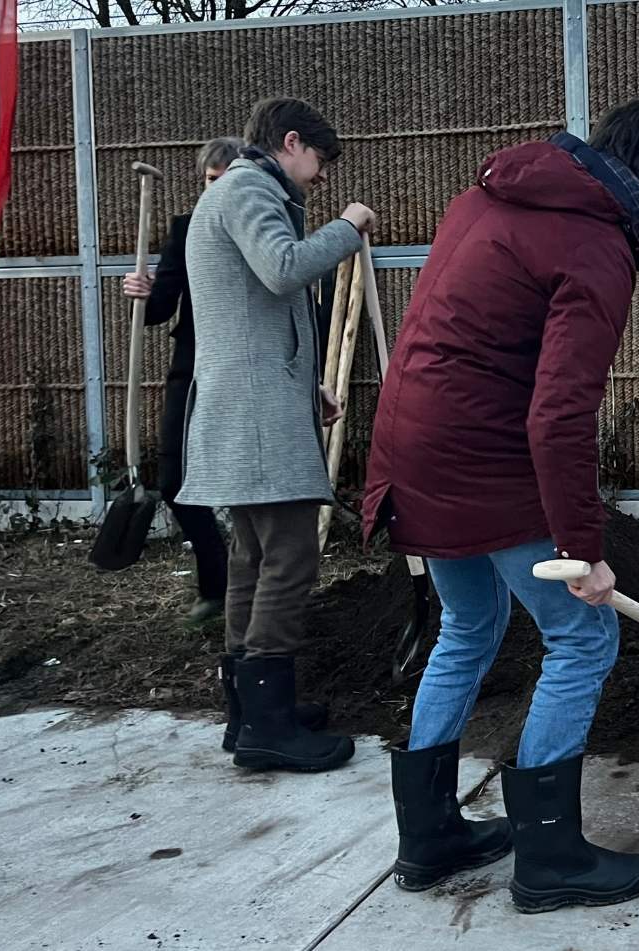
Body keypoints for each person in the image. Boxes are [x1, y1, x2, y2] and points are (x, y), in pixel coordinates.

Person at [361, 100, 639, 911]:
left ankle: (429, 836)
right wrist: (584, 545)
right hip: (487, 456)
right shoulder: (594, 242)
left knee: (468, 625)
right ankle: (548, 857)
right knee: (582, 636)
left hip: (413, 442)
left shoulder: (483, 200)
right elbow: (559, 410)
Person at [180, 97, 376, 772]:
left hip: (254, 403)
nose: (320, 178)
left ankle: (251, 714)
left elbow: (252, 306)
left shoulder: (240, 191)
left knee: (253, 559)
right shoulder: (247, 189)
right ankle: (265, 722)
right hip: (256, 417)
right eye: (319, 161)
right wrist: (347, 228)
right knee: (289, 557)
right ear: (291, 142)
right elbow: (284, 268)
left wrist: (305, 385)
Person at [120, 138, 241, 627]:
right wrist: (142, 294)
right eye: (212, 180)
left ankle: (254, 589)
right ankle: (218, 581)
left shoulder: (265, 228)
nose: (220, 188)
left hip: (245, 366)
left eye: (228, 178)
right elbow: (159, 310)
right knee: (175, 480)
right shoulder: (187, 231)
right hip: (192, 366)